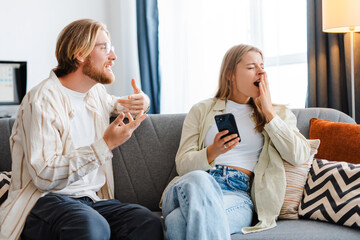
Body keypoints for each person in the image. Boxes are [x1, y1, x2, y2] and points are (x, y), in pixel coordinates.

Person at [0, 19, 164, 240]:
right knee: (91, 226)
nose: (113, 56)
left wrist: (142, 101)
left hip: (90, 200)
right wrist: (104, 145)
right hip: (42, 200)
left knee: (146, 222)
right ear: (80, 54)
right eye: (104, 48)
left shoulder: (95, 95)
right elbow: (44, 176)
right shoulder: (41, 100)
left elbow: (119, 104)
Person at [161, 44, 311, 240]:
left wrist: (268, 112)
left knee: (176, 223)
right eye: (251, 67)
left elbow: (298, 155)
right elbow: (183, 165)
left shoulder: (278, 115)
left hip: (236, 192)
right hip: (191, 184)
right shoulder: (201, 110)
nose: (260, 72)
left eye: (262, 66)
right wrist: (213, 151)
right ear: (230, 74)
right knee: (199, 179)